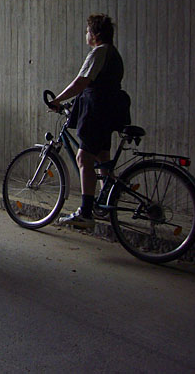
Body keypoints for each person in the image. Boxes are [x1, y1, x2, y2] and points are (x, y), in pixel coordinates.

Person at [49, 14, 131, 229]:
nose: (86, 35)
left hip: (97, 111)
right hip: (111, 111)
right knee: (102, 157)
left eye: (87, 31)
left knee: (84, 158)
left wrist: (57, 99)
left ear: (95, 34)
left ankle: (85, 213)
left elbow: (81, 82)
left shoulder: (99, 52)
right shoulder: (114, 54)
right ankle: (105, 202)